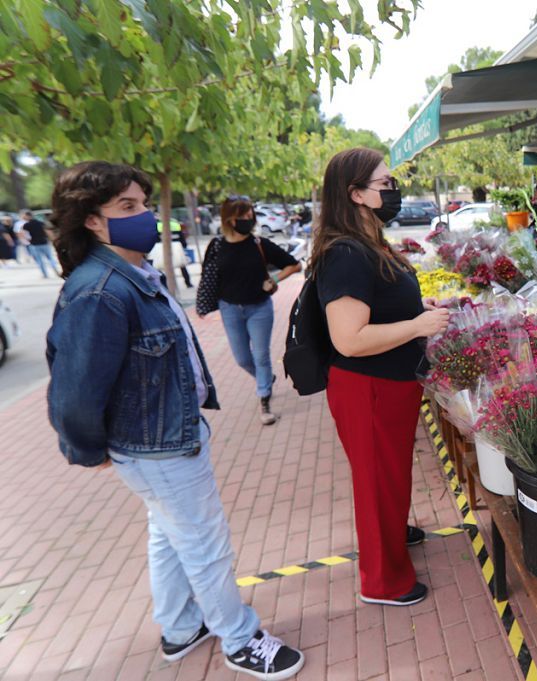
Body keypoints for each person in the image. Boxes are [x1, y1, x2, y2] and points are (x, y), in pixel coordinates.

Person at [45, 161, 304, 679]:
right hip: (156, 445)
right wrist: (88, 449)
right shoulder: (99, 291)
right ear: (92, 220)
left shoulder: (132, 272)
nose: (145, 216)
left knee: (168, 533)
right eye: (128, 208)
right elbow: (74, 392)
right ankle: (239, 638)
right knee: (203, 542)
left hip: (164, 434)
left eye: (143, 204)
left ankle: (182, 627)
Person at [312, 147, 450, 606]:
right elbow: (349, 338)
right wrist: (416, 327)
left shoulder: (369, 241)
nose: (394, 192)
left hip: (388, 382)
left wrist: (417, 309)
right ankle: (383, 581)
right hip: (365, 385)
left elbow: (380, 303)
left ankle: (392, 533)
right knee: (375, 480)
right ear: (355, 194)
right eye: (384, 185)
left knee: (390, 470)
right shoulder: (346, 253)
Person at [198, 198, 301, 425]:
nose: (248, 220)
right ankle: (266, 379)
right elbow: (208, 277)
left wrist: (273, 279)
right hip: (230, 309)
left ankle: (264, 399)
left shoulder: (259, 244)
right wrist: (204, 305)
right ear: (229, 219)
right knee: (242, 358)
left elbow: (295, 265)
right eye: (242, 216)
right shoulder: (216, 246)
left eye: (250, 215)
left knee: (261, 356)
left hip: (259, 308)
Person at [21, 209, 61, 278]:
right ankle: (55, 270)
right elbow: (48, 232)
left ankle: (45, 274)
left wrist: (26, 240)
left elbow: (25, 234)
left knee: (40, 260)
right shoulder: (41, 223)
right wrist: (52, 240)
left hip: (34, 244)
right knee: (50, 258)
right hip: (44, 242)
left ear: (28, 216)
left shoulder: (26, 225)